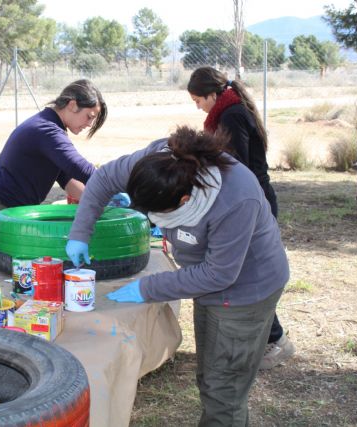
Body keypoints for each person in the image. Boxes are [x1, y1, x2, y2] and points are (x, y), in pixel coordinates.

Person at [66, 126, 290, 426]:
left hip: (247, 290)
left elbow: (218, 274)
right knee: (212, 375)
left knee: (225, 389)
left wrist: (148, 287)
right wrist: (81, 232)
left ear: (184, 200)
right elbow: (105, 178)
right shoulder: (159, 161)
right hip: (212, 283)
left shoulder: (235, 198)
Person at [187, 66, 295, 370]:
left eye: (198, 99)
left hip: (251, 204)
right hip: (251, 202)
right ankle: (269, 338)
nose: (197, 106)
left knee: (249, 274)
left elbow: (236, 167)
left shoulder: (231, 116)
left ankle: (276, 341)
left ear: (211, 93)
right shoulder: (228, 111)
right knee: (243, 272)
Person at [0, 79, 128, 249]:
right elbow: (79, 167)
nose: (90, 123)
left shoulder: (51, 127)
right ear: (72, 105)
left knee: (13, 265)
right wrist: (109, 185)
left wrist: (98, 200)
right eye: (89, 116)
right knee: (2, 266)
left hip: (5, 205)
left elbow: (66, 177)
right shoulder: (47, 129)